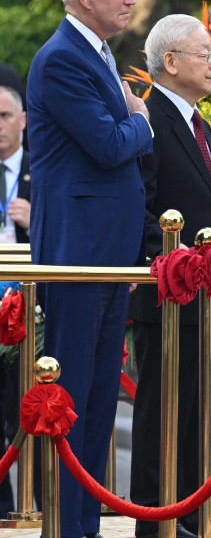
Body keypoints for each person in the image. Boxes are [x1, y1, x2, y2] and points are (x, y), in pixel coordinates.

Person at [27, 0, 152, 538]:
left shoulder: (96, 52)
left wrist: (131, 120)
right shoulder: (62, 59)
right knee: (73, 390)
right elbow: (109, 145)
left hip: (106, 250)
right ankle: (65, 523)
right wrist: (142, 119)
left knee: (100, 393)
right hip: (78, 251)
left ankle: (85, 522)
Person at [128, 15, 211, 538]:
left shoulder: (196, 121)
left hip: (210, 296)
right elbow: (138, 208)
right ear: (171, 62)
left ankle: (196, 513)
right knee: (162, 410)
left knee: (198, 410)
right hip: (171, 295)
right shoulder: (148, 120)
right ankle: (156, 518)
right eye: (206, 53)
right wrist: (177, 259)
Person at [0, 82, 30, 516]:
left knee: (31, 418)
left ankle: (46, 508)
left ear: (23, 121)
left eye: (5, 116)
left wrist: (35, 219)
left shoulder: (44, 170)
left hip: (29, 311)